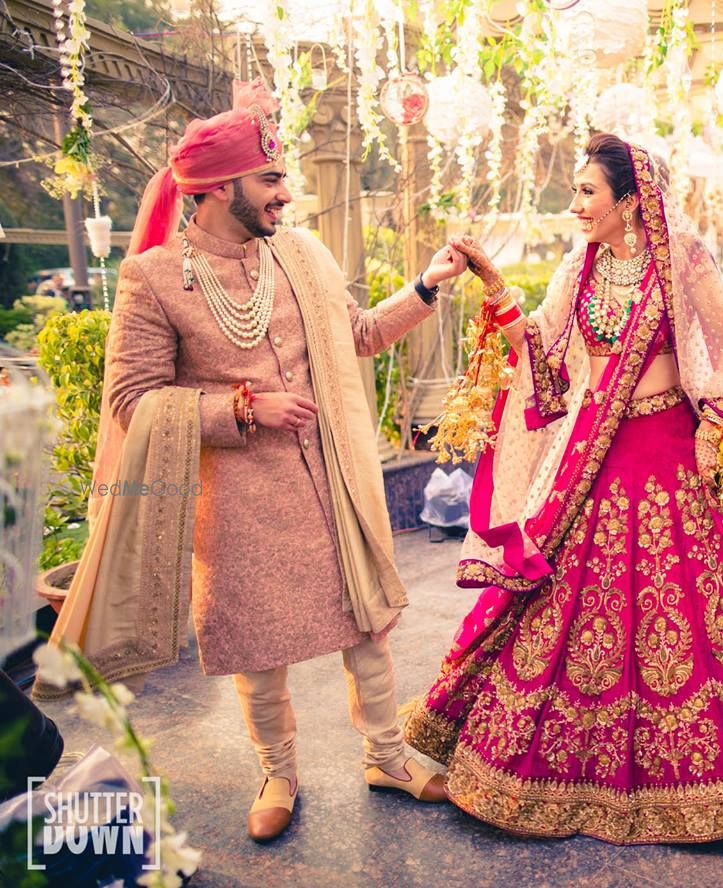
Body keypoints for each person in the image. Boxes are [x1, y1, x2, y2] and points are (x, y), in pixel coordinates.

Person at [404, 134, 723, 844]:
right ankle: (564, 774)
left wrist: (717, 418)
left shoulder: (681, 264)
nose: (575, 206)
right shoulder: (582, 265)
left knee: (698, 609)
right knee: (569, 614)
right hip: (592, 462)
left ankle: (721, 776)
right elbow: (543, 353)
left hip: (670, 457)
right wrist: (494, 286)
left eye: (587, 192)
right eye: (574, 192)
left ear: (630, 200)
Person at [34, 80, 467, 842]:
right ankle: (278, 772)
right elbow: (134, 400)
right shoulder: (155, 277)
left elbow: (357, 335)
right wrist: (241, 408)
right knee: (258, 645)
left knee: (366, 625)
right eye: (269, 180)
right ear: (213, 188)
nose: (286, 194)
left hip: (331, 478)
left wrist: (426, 288)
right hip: (236, 495)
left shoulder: (300, 254)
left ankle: (389, 757)